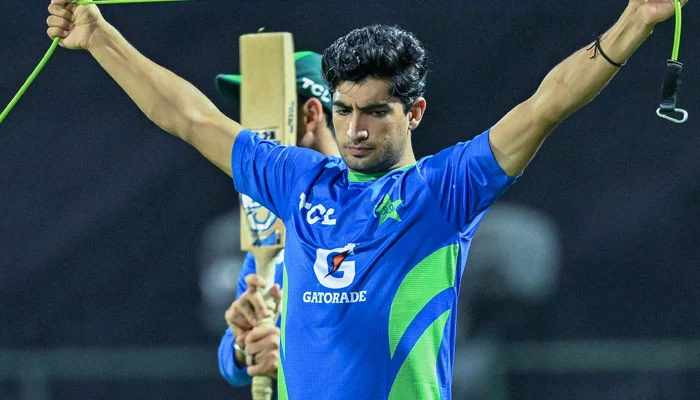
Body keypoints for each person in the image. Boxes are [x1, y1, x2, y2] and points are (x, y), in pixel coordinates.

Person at [46, 1, 688, 398]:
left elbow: (545, 105)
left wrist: (634, 20)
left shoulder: (442, 193)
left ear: (414, 112)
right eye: (345, 109)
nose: (355, 129)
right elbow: (190, 117)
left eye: (375, 112)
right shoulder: (297, 186)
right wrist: (99, 36)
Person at [213, 52, 340, 386]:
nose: (249, 134)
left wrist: (288, 352)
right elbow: (230, 356)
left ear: (311, 113)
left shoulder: (371, 205)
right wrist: (246, 345)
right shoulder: (270, 227)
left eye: (263, 111)